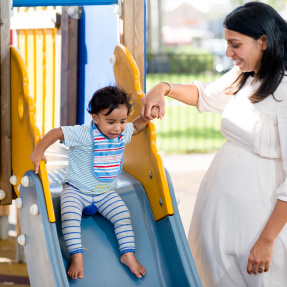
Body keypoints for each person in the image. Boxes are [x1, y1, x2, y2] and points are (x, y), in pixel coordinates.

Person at [140, 2, 287, 286]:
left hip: (259, 219)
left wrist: (267, 240)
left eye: (236, 44)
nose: (229, 53)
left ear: (264, 41)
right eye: (227, 44)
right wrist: (163, 88)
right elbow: (205, 95)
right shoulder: (245, 76)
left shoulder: (285, 91)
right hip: (219, 213)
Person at [31, 86, 158, 280]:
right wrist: (39, 151)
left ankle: (128, 255)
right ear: (96, 118)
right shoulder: (83, 134)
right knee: (70, 217)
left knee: (123, 215)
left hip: (104, 192)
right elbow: (56, 133)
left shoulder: (121, 134)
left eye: (123, 121)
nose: (118, 127)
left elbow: (137, 127)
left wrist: (148, 117)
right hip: (76, 190)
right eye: (111, 122)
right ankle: (77, 257)